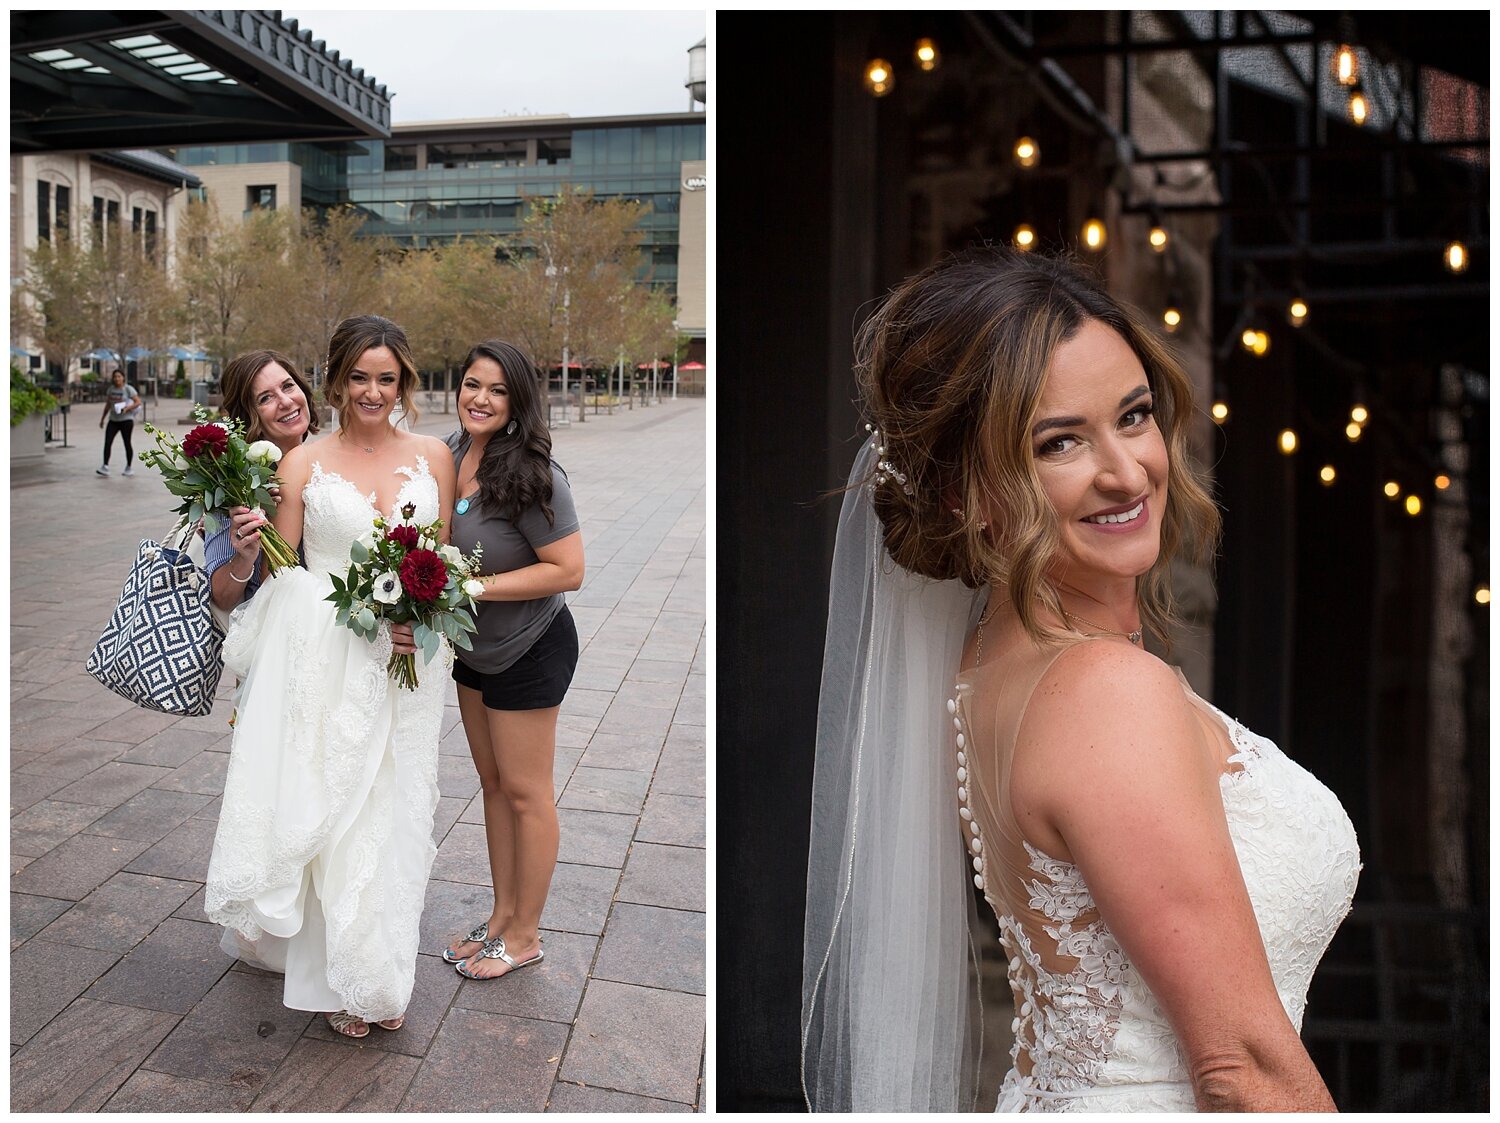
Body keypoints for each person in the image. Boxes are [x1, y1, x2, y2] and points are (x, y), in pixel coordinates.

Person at [800, 250, 1360, 1112]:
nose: (1128, 471)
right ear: (963, 492)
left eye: (1133, 416)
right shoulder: (1104, 691)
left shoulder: (992, 665)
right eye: (1059, 441)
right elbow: (1242, 1065)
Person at [204, 315, 455, 1038]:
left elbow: (439, 560)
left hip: (408, 660)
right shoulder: (301, 462)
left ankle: (385, 967)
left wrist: (422, 617)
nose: (372, 390)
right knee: (342, 815)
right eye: (359, 376)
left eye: (387, 377)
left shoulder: (435, 456)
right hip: (332, 658)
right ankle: (349, 979)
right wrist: (244, 550)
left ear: (403, 380)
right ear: (337, 378)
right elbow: (281, 574)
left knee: (400, 810)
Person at [438, 340, 584, 980]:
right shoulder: (448, 454)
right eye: (473, 384)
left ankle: (526, 934)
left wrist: (474, 587)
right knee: (493, 787)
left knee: (527, 794)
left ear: (518, 401)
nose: (480, 399)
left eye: (497, 390)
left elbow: (569, 570)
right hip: (474, 648)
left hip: (530, 646)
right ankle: (501, 915)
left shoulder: (536, 474)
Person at [203, 349, 320, 611]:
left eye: (288, 386)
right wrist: (245, 556)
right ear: (247, 415)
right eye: (265, 398)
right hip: (271, 630)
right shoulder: (236, 486)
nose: (286, 401)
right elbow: (222, 598)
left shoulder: (330, 461)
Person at [97, 368, 142, 476]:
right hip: (113, 420)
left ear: (123, 378)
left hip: (126, 420)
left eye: (119, 376)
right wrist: (102, 419)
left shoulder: (128, 389)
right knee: (108, 442)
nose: (117, 379)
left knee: (127, 443)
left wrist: (128, 408)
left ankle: (129, 467)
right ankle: (105, 466)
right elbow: (108, 405)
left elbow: (138, 402)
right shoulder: (111, 390)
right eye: (115, 376)